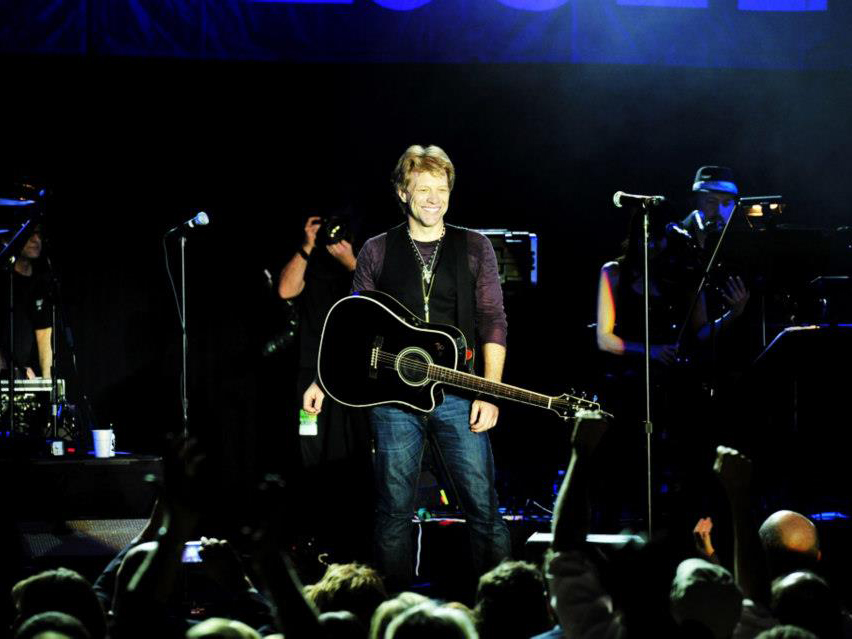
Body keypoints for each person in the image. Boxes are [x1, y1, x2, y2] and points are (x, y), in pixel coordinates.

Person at [303, 144, 511, 590]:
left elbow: (494, 320)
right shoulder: (378, 250)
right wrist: (322, 379)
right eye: (423, 189)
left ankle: (501, 608)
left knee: (482, 507)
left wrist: (489, 391)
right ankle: (390, 609)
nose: (434, 198)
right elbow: (351, 324)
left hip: (459, 395)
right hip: (392, 400)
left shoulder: (474, 246)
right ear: (403, 192)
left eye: (441, 189)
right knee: (393, 511)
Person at [278, 211, 372, 561]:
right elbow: (286, 289)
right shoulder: (311, 265)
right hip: (309, 380)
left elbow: (377, 302)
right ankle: (314, 542)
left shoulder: (361, 266)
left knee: (352, 457)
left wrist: (351, 261)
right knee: (311, 456)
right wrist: (307, 246)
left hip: (353, 379)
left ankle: (353, 543)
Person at [0, 226, 53, 379]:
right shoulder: (4, 280)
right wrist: (10, 369)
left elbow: (44, 335)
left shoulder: (41, 282)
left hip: (26, 373)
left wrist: (47, 384)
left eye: (39, 234)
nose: (36, 240)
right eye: (30, 234)